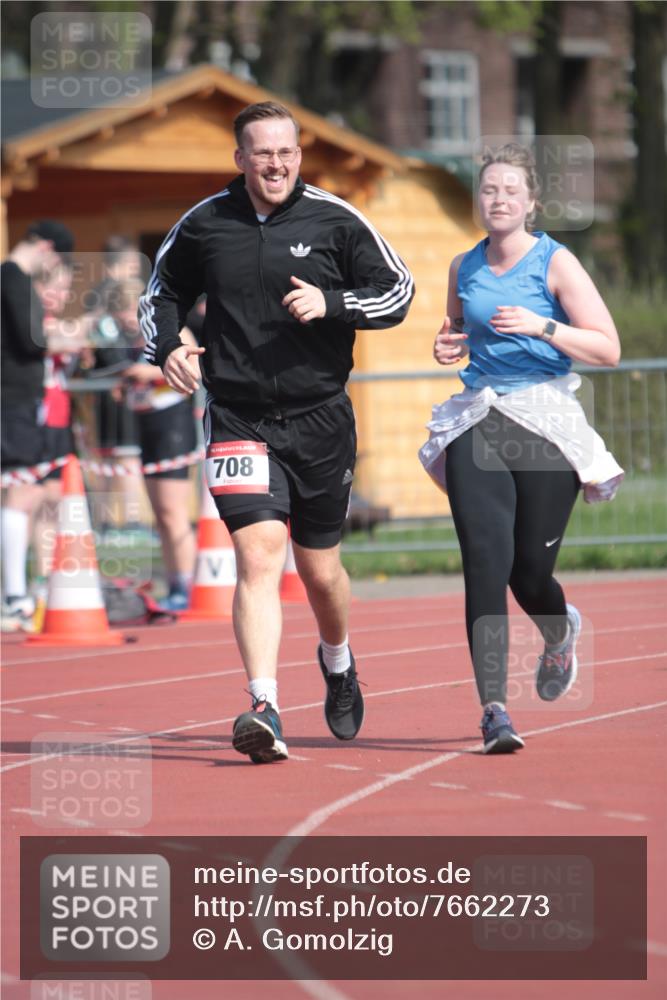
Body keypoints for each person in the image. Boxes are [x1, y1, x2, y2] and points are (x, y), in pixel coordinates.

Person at [139, 100, 414, 763]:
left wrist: (334, 303)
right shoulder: (204, 224)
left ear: (298, 155)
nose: (275, 163)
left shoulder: (335, 220)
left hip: (320, 417)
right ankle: (263, 705)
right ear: (240, 159)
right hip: (237, 415)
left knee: (320, 573)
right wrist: (170, 347)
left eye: (285, 151)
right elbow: (159, 296)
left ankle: (339, 661)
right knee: (259, 555)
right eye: (262, 152)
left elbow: (398, 291)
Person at [419, 143, 623, 754]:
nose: (499, 198)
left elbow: (607, 348)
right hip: (480, 415)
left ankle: (559, 634)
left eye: (510, 190)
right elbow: (455, 330)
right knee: (484, 561)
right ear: (478, 202)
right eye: (489, 190)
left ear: (531, 201)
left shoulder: (556, 263)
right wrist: (447, 344)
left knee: (529, 575)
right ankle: (495, 710)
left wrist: (543, 326)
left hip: (544, 418)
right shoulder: (464, 265)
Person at [1, 220, 75, 630]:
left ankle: (24, 593)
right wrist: (70, 338)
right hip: (14, 401)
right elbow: (31, 341)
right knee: (21, 494)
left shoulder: (12, 278)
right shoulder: (13, 277)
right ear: (47, 248)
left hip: (23, 403)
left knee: (35, 495)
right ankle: (14, 597)